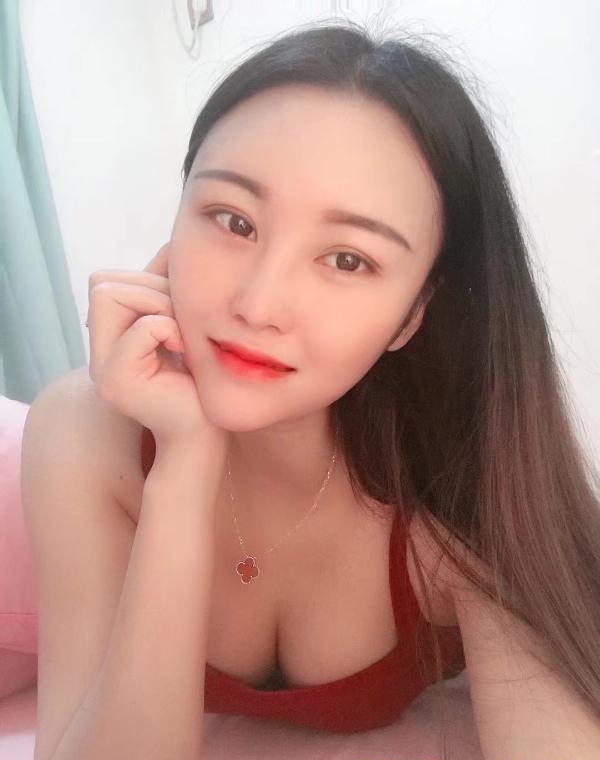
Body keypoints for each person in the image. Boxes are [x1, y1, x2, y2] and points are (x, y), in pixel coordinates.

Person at [21, 19, 600, 760]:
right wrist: (184, 466)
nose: (259, 304)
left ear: (412, 314)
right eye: (233, 220)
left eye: (347, 260)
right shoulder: (84, 431)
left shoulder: (463, 467)